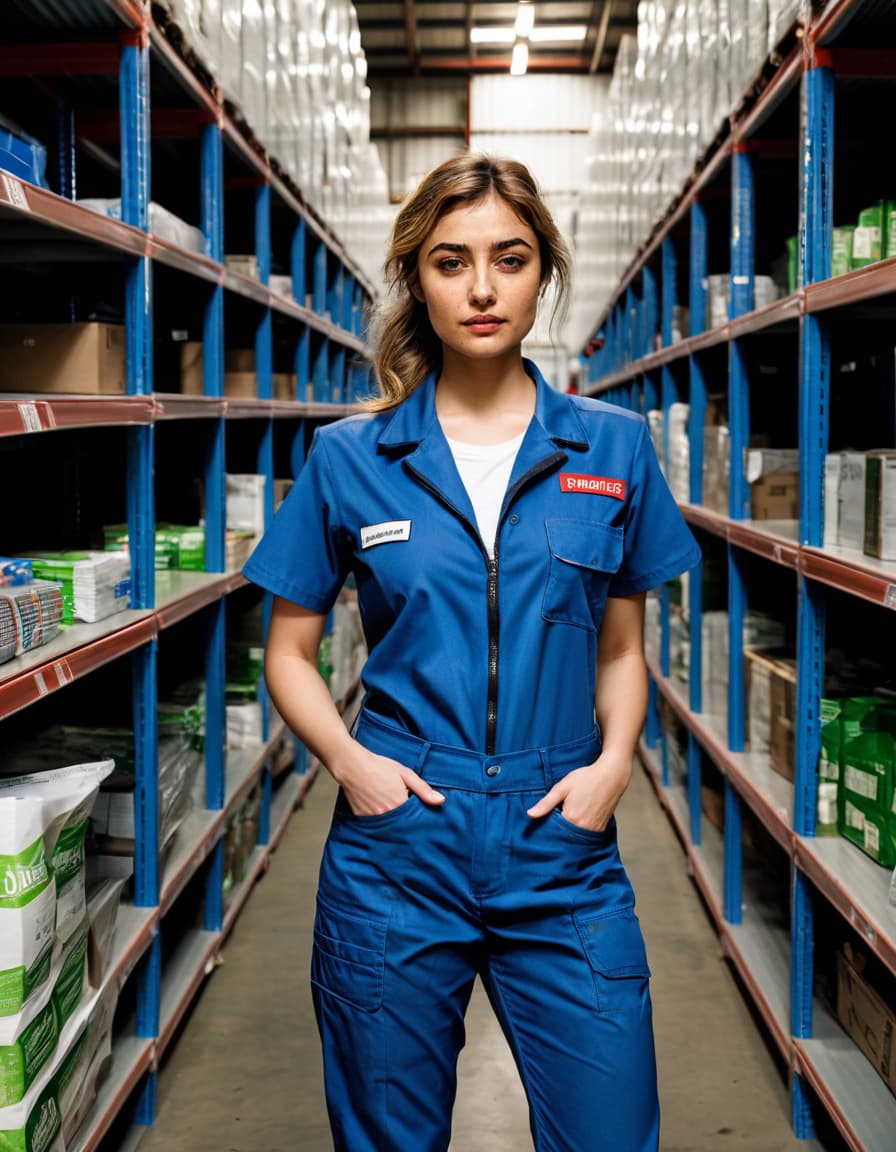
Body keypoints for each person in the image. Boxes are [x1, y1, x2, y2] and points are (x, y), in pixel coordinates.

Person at [244, 153, 700, 1152]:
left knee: (610, 1130)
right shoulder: (351, 456)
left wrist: (612, 767)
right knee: (388, 1137)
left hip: (559, 834)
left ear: (544, 274)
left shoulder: (613, 446)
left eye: (510, 259)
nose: (482, 288)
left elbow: (622, 646)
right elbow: (288, 652)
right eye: (451, 262)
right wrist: (352, 765)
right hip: (400, 837)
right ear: (417, 279)